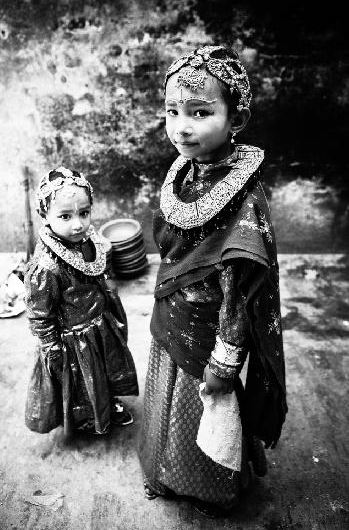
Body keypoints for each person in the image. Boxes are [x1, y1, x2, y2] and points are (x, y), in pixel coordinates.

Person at [138, 45, 287, 518]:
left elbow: (241, 292)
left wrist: (225, 361)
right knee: (167, 403)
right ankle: (164, 473)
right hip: (173, 315)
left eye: (201, 112)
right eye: (173, 111)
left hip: (209, 332)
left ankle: (209, 489)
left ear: (236, 119)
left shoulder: (244, 201)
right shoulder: (186, 169)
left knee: (203, 406)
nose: (182, 126)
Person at [24, 166, 138, 438]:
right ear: (44, 215)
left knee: (105, 371)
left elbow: (101, 272)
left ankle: (108, 402)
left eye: (84, 213)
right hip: (73, 340)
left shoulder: (90, 240)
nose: (78, 224)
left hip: (101, 324)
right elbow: (40, 315)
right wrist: (52, 348)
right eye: (65, 216)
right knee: (82, 383)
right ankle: (88, 419)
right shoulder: (46, 267)